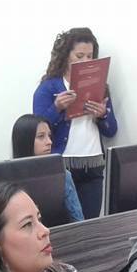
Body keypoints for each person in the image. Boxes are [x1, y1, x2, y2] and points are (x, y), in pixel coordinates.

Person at [32, 27, 118, 219]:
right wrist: (57, 107)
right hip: (61, 165)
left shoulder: (100, 87)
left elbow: (111, 130)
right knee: (63, 222)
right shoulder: (49, 87)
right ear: (65, 56)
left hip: (93, 164)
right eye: (79, 56)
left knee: (89, 224)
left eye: (90, 56)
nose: (86, 61)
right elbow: (36, 131)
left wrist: (103, 115)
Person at [11, 113, 84, 222]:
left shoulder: (62, 175)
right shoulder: (8, 180)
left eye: (49, 136)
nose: (49, 142)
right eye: (41, 136)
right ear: (25, 140)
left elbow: (78, 220)